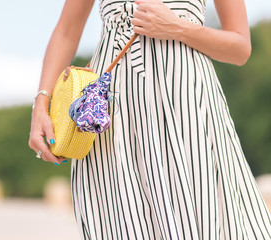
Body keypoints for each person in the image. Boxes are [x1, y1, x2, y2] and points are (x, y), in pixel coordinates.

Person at [28, 0, 271, 239]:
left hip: (186, 108)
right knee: (120, 221)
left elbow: (240, 48)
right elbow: (66, 31)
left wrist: (178, 27)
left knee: (199, 214)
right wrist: (41, 104)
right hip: (111, 115)